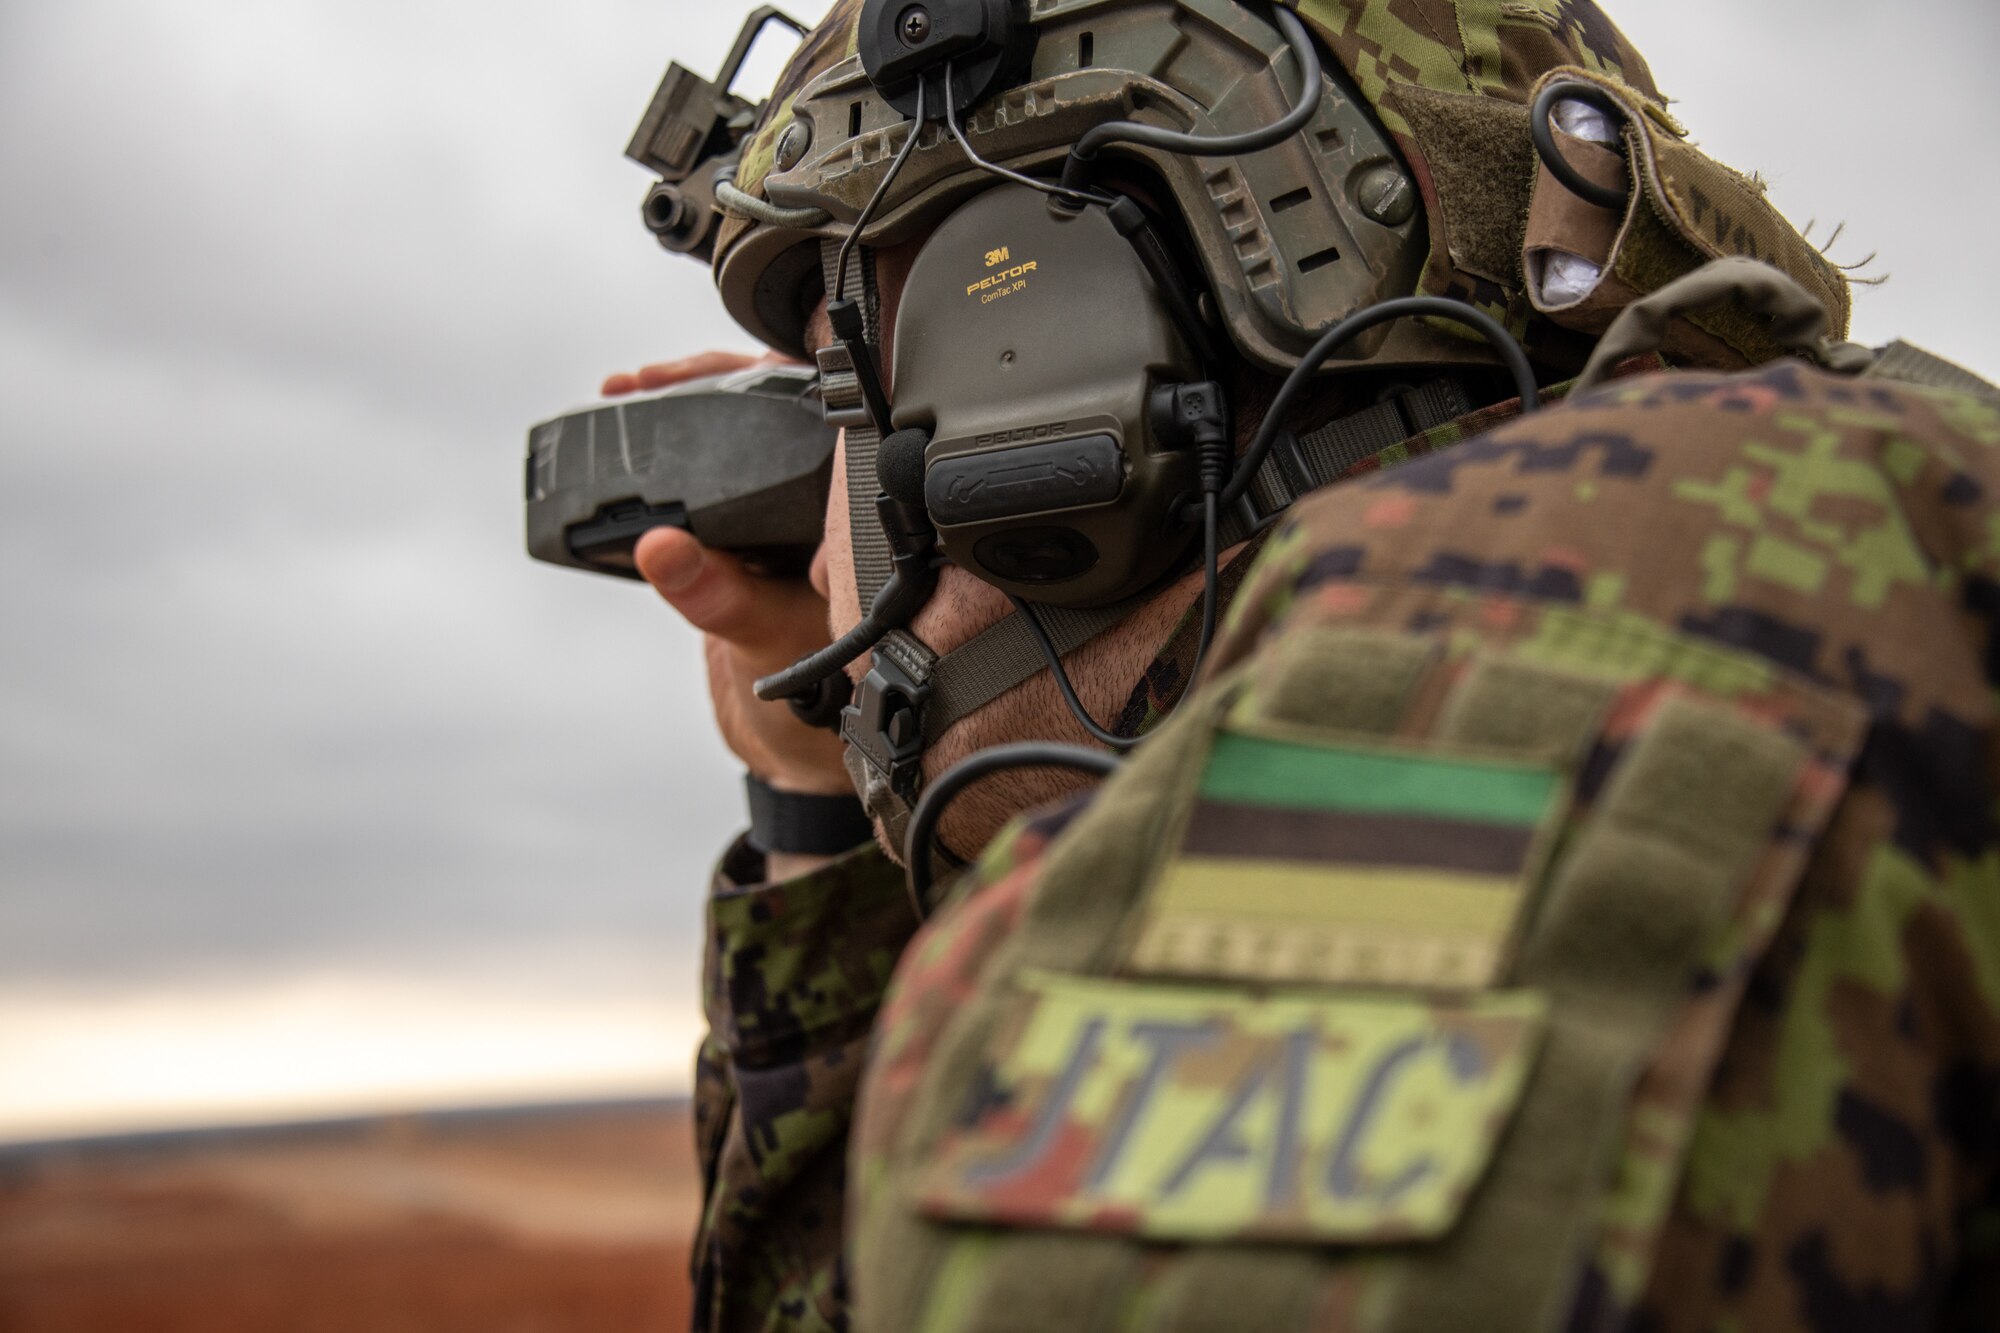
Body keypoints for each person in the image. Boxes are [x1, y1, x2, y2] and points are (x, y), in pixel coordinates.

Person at [602, 1, 2000, 1328]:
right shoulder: (1828, 556)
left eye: (856, 378)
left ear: (1045, 380)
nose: (835, 531)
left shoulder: (1476, 732)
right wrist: (814, 808)